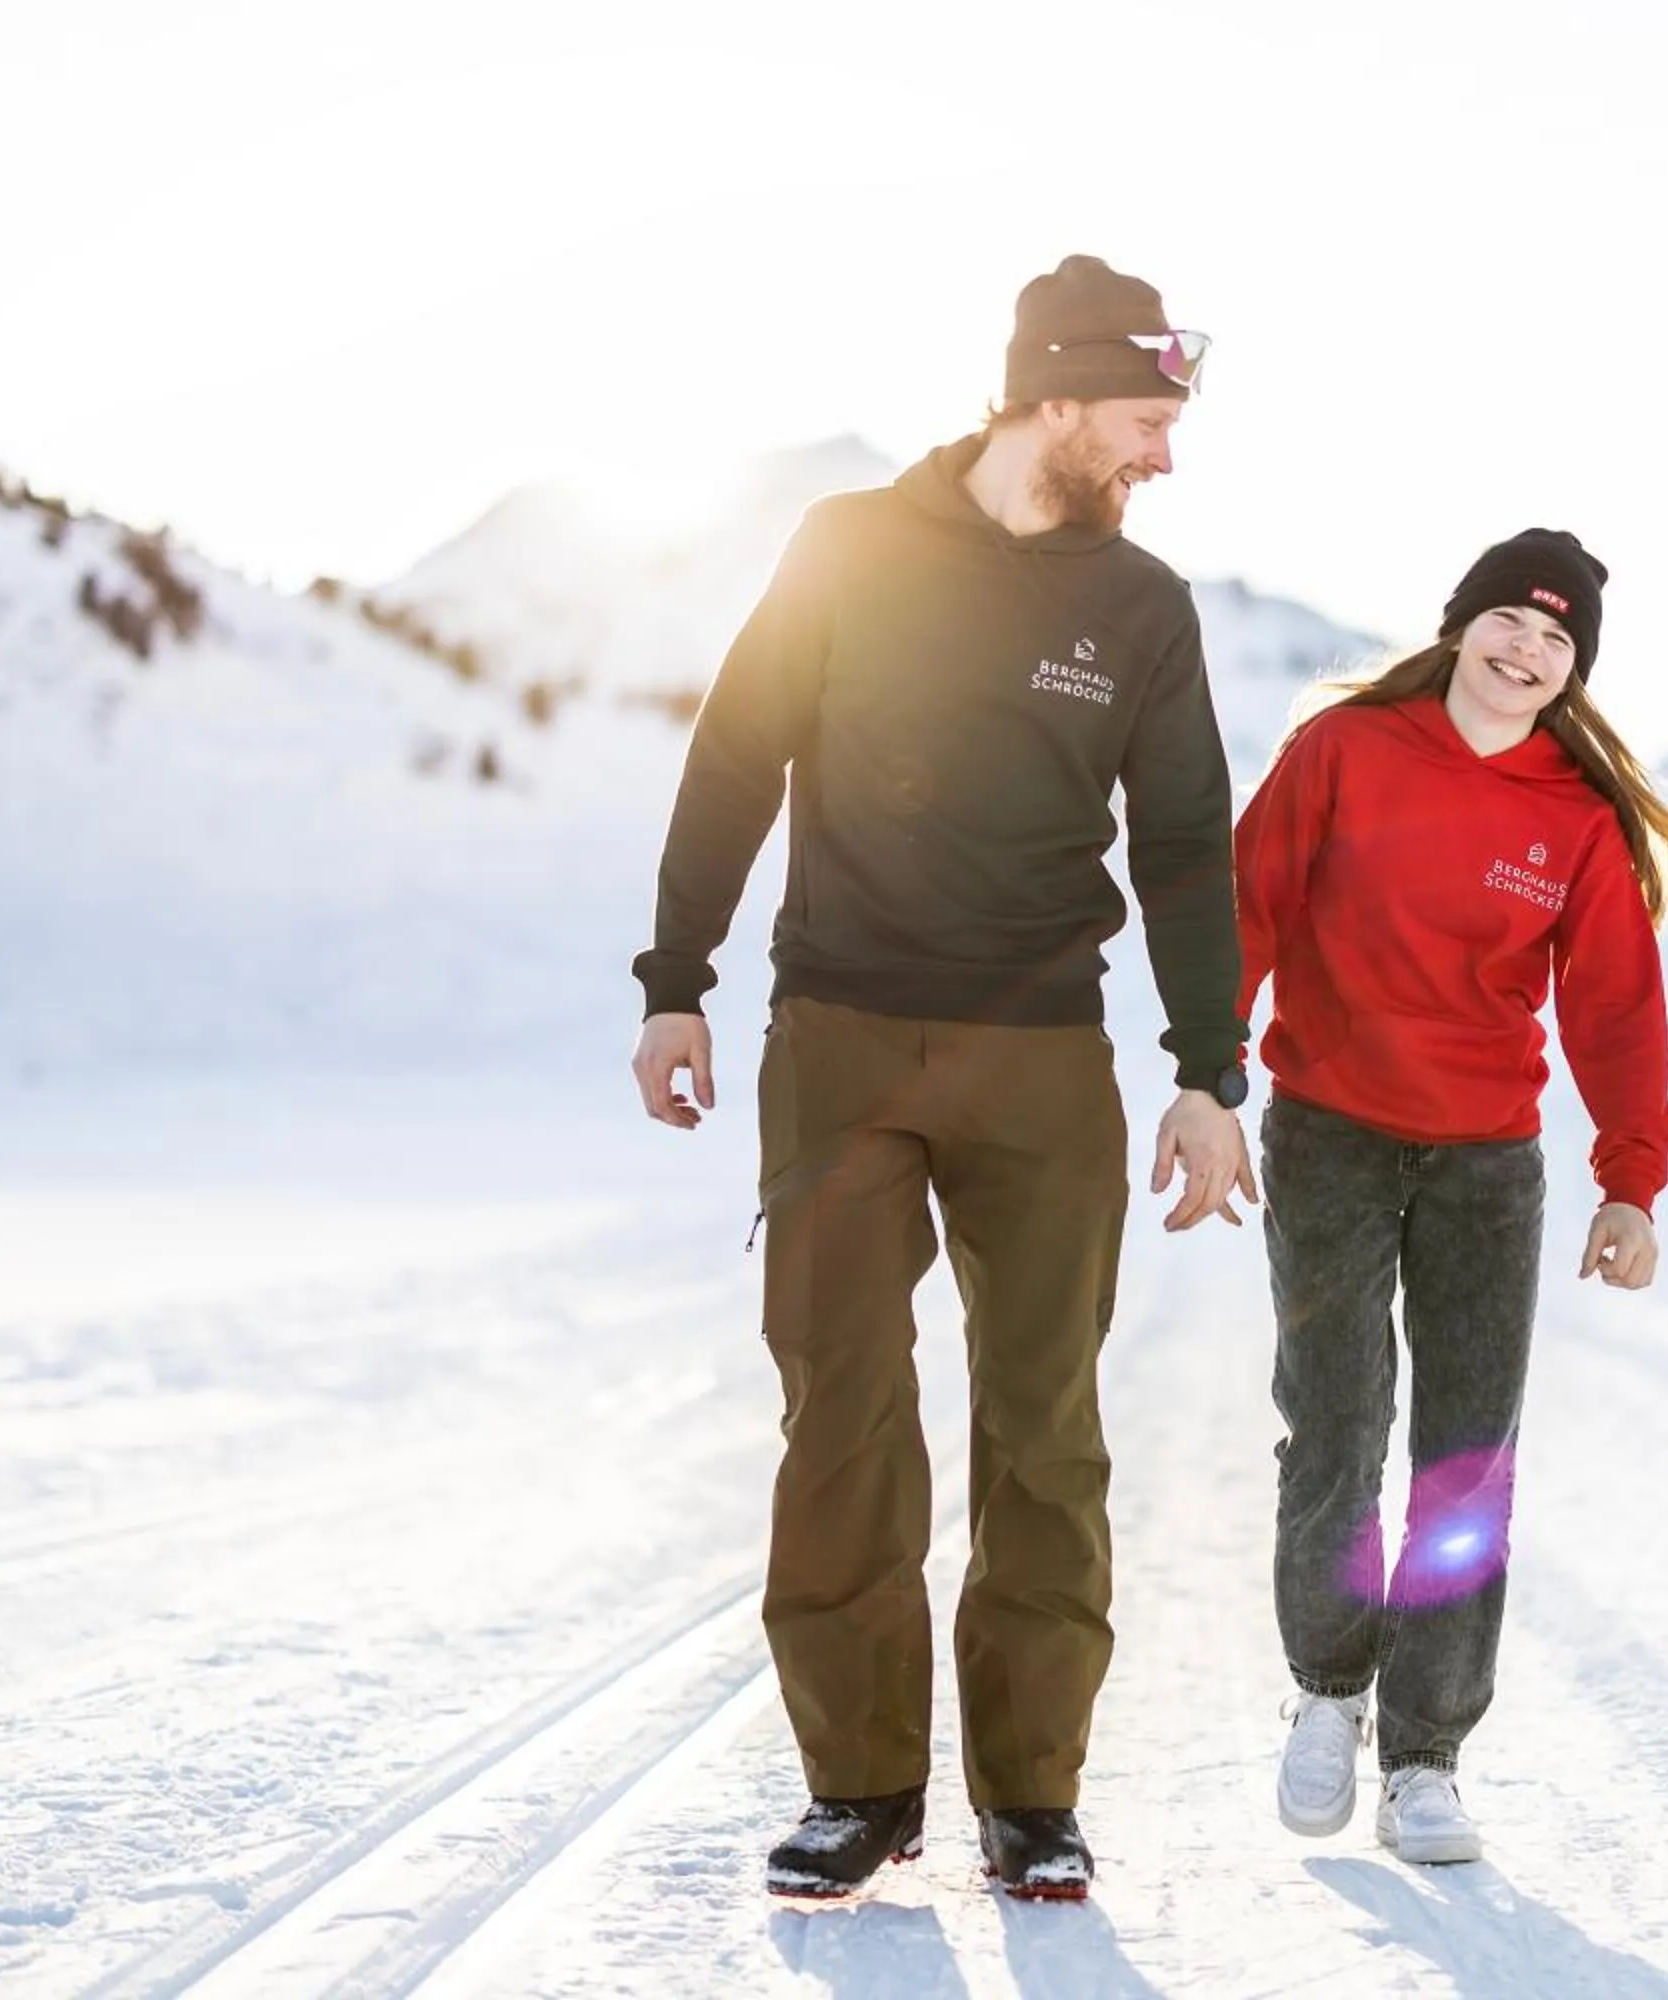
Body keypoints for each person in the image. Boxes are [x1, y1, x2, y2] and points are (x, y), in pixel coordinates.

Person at [629, 255, 1257, 1903]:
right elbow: (737, 749)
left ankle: (1032, 1797)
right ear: (1049, 399)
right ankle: (858, 1789)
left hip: (1046, 1057)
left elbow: (1188, 845)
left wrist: (1209, 1071)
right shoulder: (849, 548)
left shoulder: (1142, 608)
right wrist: (676, 981)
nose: (1161, 460)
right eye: (1142, 423)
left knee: (1044, 1428)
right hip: (837, 1041)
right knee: (842, 1412)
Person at [1233, 528, 1668, 1864]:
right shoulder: (1343, 752)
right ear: (1462, 624)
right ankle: (1329, 1692)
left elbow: (1619, 1010)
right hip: (1329, 1137)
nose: (1529, 650)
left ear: (1574, 672)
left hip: (1484, 1169)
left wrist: (1631, 1182)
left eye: (1558, 640)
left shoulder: (1573, 814)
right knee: (1334, 1430)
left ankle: (1427, 1757)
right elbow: (1249, 909)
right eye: (1512, 619)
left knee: (1465, 1457)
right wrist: (1205, 1078)